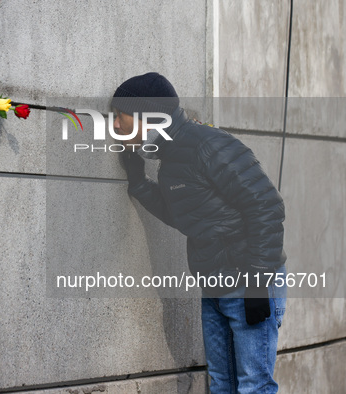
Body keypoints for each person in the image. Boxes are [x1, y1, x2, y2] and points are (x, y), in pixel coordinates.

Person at [112, 72, 287, 393]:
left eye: (118, 116)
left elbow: (266, 206)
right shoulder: (172, 154)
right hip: (215, 283)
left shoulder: (207, 144)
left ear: (142, 116)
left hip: (247, 278)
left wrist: (258, 282)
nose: (115, 125)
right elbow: (186, 216)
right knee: (221, 383)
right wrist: (139, 184)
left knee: (253, 385)